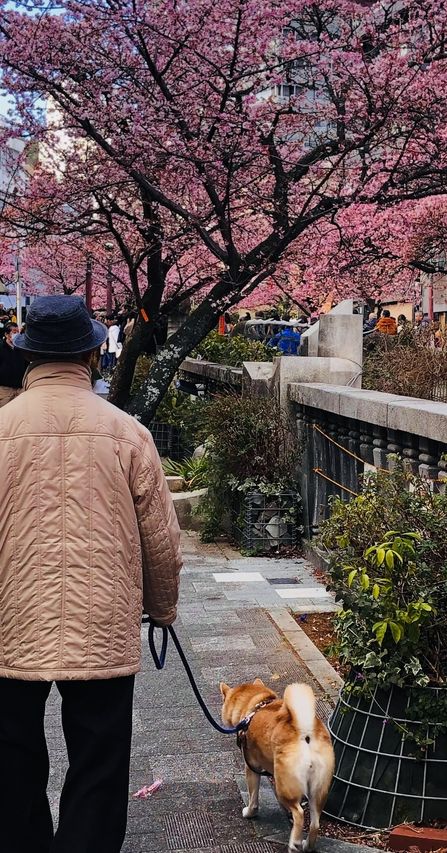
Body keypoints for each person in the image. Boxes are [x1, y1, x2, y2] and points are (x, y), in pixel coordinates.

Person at [0, 295, 182, 853]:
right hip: (101, 617)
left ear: (27, 354)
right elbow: (161, 540)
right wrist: (162, 607)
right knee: (100, 762)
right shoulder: (127, 433)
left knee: (10, 762)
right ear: (91, 353)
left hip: (9, 619)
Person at [0, 322, 27, 408]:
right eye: (14, 332)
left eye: (18, 332)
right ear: (7, 334)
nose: (17, 334)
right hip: (5, 389)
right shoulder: (1, 348)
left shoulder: (23, 348)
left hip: (21, 389)